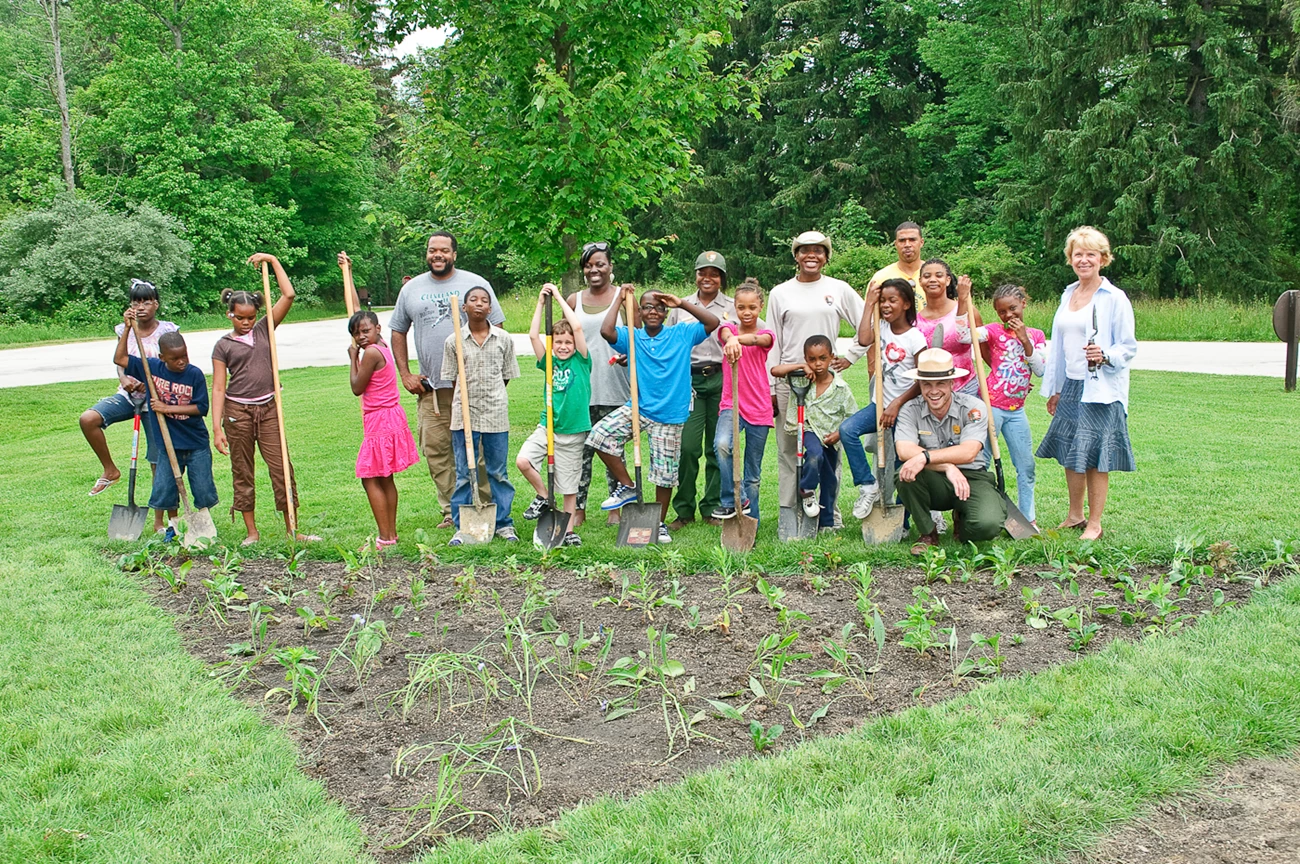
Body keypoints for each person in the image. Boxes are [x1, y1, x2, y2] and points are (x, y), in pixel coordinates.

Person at [388, 232, 505, 529]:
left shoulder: (474, 284)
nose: (437, 255)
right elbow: (398, 331)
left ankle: (483, 508)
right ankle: (452, 511)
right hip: (432, 389)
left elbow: (498, 330)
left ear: (454, 253)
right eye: (431, 250)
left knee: (476, 450)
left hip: (472, 390)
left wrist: (490, 379)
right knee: (437, 450)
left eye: (443, 250)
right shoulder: (411, 289)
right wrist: (405, 373)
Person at [587, 284, 720, 544]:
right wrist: (618, 298)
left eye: (659, 308)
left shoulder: (681, 334)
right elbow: (606, 331)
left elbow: (712, 322)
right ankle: (628, 487)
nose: (653, 312)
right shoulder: (633, 337)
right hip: (639, 407)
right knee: (599, 436)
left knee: (664, 473)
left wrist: (680, 302)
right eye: (647, 307)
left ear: (665, 311)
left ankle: (658, 523)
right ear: (639, 311)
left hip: (670, 414)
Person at [1036, 226, 1136, 541]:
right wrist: (1056, 388)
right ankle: (1075, 515)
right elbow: (1059, 348)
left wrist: (1105, 355)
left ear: (1103, 259)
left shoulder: (1114, 298)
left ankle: (1095, 523)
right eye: (1078, 254)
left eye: (1090, 254)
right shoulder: (1068, 294)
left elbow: (1128, 347)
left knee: (1096, 456)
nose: (1083, 260)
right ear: (1070, 258)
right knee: (1070, 451)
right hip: (1072, 386)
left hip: (1100, 389)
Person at [211, 253, 315, 545]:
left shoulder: (264, 330)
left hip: (269, 409)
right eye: (239, 317)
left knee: (281, 466)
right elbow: (218, 387)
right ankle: (251, 532)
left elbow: (289, 294)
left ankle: (292, 527)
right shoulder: (222, 346)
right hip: (237, 412)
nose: (246, 322)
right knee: (243, 469)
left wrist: (272, 260)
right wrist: (217, 428)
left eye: (251, 317)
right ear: (229, 314)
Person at [767, 231, 865, 531]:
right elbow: (772, 342)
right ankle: (792, 510)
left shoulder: (838, 289)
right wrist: (772, 389)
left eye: (818, 251)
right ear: (796, 256)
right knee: (789, 451)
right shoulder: (780, 292)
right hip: (790, 383)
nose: (812, 256)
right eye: (805, 251)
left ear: (826, 256)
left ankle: (828, 514)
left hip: (825, 387)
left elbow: (866, 325)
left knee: (826, 451)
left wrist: (852, 355)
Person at [80, 280, 178, 532]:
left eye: (147, 301)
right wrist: (124, 379)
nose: (141, 306)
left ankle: (163, 520)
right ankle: (110, 470)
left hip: (155, 401)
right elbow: (120, 361)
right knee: (88, 419)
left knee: (158, 461)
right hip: (128, 396)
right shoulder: (123, 328)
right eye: (136, 302)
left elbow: (176, 363)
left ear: (156, 304)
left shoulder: (168, 330)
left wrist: (152, 383)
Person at [893, 344, 1007, 554]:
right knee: (905, 474)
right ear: (919, 384)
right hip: (933, 478)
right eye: (927, 384)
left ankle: (962, 521)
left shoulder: (973, 407)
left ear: (952, 383)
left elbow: (968, 452)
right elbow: (903, 449)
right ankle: (928, 533)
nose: (934, 391)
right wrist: (946, 466)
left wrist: (925, 457)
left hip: (973, 477)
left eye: (941, 383)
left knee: (987, 526)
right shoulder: (910, 409)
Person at [114, 308, 216, 541]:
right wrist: (128, 329)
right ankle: (173, 525)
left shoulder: (194, 374)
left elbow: (201, 408)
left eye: (184, 356)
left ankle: (201, 522)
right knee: (167, 489)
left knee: (202, 488)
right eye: (175, 359)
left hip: (196, 443)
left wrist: (167, 408)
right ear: (162, 358)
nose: (181, 362)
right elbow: (119, 360)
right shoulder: (151, 367)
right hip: (168, 444)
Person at [957, 283, 1048, 527]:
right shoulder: (995, 331)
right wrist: (962, 303)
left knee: (1026, 466)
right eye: (1002, 312)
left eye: (1013, 309)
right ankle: (978, 512)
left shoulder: (1037, 336)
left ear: (1023, 304)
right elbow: (965, 337)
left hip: (1017, 411)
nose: (1008, 316)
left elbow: (1040, 370)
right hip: (991, 407)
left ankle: (1028, 518)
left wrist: (1025, 339)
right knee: (981, 462)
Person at [441, 285, 521, 545]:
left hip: (496, 413)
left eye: (484, 300)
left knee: (498, 472)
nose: (478, 304)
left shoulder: (503, 339)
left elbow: (506, 375)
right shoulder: (453, 341)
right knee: (464, 472)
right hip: (464, 415)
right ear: (463, 308)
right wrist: (467, 402)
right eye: (472, 300)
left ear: (490, 308)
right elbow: (452, 379)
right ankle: (462, 526)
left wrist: (491, 396)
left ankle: (503, 524)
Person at [839, 278, 926, 519]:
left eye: (892, 301)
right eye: (883, 301)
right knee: (848, 430)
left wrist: (897, 404)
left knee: (902, 464)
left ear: (907, 304)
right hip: (880, 405)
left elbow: (922, 381)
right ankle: (868, 485)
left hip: (906, 410)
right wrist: (869, 304)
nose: (886, 305)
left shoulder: (915, 338)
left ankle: (904, 520)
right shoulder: (882, 328)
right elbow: (864, 339)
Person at [517, 283, 591, 547]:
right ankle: (544, 496)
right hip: (547, 428)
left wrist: (558, 297)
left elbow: (578, 327)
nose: (563, 346)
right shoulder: (548, 361)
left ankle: (568, 531)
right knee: (523, 461)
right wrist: (539, 303)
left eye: (567, 342)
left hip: (573, 432)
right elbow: (533, 336)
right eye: (558, 342)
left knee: (570, 487)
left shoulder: (581, 360)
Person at [665, 250, 736, 530]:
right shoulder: (679, 307)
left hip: (721, 380)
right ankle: (683, 510)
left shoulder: (732, 306)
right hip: (689, 381)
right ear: (695, 275)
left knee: (718, 447)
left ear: (722, 278)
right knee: (687, 447)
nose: (708, 278)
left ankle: (711, 507)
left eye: (714, 273)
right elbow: (667, 343)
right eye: (702, 272)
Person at [565, 242, 630, 529]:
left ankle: (616, 507)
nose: (594, 269)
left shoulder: (625, 298)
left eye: (600, 264)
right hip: (582, 389)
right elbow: (561, 343)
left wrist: (628, 357)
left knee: (612, 449)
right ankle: (578, 508)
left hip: (616, 386)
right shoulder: (573, 301)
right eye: (589, 265)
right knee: (580, 451)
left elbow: (637, 338)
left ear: (610, 267)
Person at [347, 310, 420, 551]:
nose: (361, 337)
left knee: (369, 477)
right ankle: (390, 534)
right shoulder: (383, 345)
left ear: (378, 329)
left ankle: (385, 537)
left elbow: (357, 387)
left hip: (380, 419)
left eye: (366, 331)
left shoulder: (370, 353)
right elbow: (362, 315)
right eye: (356, 334)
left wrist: (352, 359)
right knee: (384, 477)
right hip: (392, 416)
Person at [772, 335, 858, 533]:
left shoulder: (841, 388)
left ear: (831, 358)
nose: (817, 364)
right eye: (812, 359)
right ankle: (807, 489)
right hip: (809, 430)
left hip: (831, 438)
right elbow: (775, 371)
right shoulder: (801, 378)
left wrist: (838, 433)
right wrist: (800, 367)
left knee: (830, 479)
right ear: (806, 358)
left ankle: (826, 522)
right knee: (814, 455)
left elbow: (852, 416)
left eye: (822, 358)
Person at [712, 278, 774, 521]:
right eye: (741, 308)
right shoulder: (728, 331)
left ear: (760, 307)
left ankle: (752, 521)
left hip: (759, 407)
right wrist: (731, 338)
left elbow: (760, 341)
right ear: (735, 307)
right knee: (722, 445)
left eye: (752, 308)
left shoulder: (766, 333)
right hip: (732, 404)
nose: (746, 312)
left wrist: (737, 340)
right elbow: (725, 330)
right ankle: (730, 500)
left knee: (753, 473)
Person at [915, 259, 983, 397]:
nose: (933, 280)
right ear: (920, 281)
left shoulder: (968, 310)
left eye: (939, 275)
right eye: (927, 276)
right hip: (932, 393)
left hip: (966, 389)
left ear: (947, 280)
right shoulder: (915, 321)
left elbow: (986, 348)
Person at [869, 222, 925, 287]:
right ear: (895, 244)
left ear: (921, 242)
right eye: (902, 240)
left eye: (912, 240)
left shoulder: (934, 277)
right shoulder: (880, 279)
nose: (907, 245)